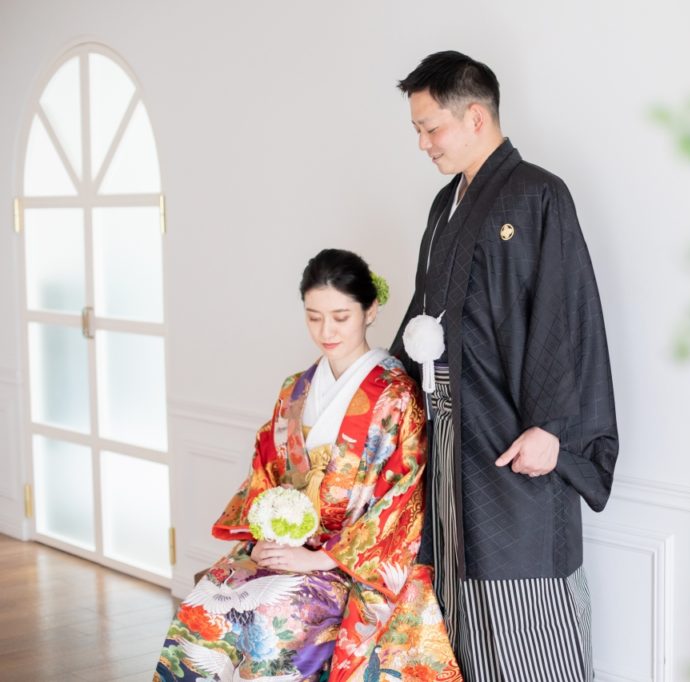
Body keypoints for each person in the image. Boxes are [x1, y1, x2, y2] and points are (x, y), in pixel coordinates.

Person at [391, 51, 619, 682]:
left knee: (527, 617)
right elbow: (424, 317)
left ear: (474, 116)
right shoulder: (445, 205)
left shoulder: (539, 194)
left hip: (514, 446)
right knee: (458, 616)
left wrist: (553, 430)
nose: (423, 143)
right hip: (452, 447)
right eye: (417, 130)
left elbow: (564, 315)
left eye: (430, 127)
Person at [155, 249, 461, 682]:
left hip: (353, 562)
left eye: (340, 317)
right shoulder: (295, 389)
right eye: (314, 317)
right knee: (201, 612)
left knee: (271, 619)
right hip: (290, 545)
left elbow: (402, 499)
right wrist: (265, 536)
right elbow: (265, 471)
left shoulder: (395, 395)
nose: (326, 331)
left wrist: (322, 560)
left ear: (371, 310)